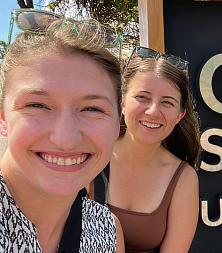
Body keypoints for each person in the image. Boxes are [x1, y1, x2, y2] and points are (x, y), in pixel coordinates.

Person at [0, 15, 125, 252]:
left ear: (117, 124)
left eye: (92, 109)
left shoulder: (105, 229)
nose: (65, 140)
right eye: (37, 105)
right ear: (3, 117)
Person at [91, 46, 201, 252]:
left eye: (167, 102)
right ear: (122, 103)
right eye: (142, 97)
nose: (153, 111)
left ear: (179, 115)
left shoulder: (183, 179)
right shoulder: (90, 156)